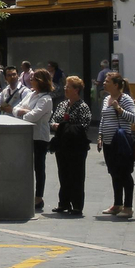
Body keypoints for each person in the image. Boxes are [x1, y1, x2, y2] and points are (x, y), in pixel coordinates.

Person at [97, 71, 135, 218]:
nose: (104, 83)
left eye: (107, 81)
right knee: (114, 172)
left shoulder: (125, 99)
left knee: (124, 173)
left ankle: (128, 206)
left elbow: (134, 118)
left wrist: (119, 109)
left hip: (121, 142)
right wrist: (100, 135)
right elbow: (103, 119)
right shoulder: (106, 98)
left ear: (116, 85)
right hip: (108, 142)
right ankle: (117, 204)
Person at [12, 69, 55, 210]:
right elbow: (15, 108)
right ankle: (25, 194)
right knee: (24, 167)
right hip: (26, 136)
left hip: (39, 138)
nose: (31, 80)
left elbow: (33, 117)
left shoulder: (46, 99)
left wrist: (23, 112)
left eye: (34, 78)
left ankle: (38, 197)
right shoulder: (31, 95)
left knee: (39, 167)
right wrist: (22, 111)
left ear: (41, 81)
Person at [50, 76, 92, 214]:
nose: (65, 89)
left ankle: (77, 206)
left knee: (76, 175)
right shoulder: (62, 105)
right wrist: (59, 126)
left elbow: (83, 126)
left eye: (68, 87)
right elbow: (53, 121)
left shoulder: (83, 106)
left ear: (76, 90)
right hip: (61, 145)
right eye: (65, 86)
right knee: (63, 174)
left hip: (76, 146)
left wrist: (61, 126)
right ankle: (64, 203)